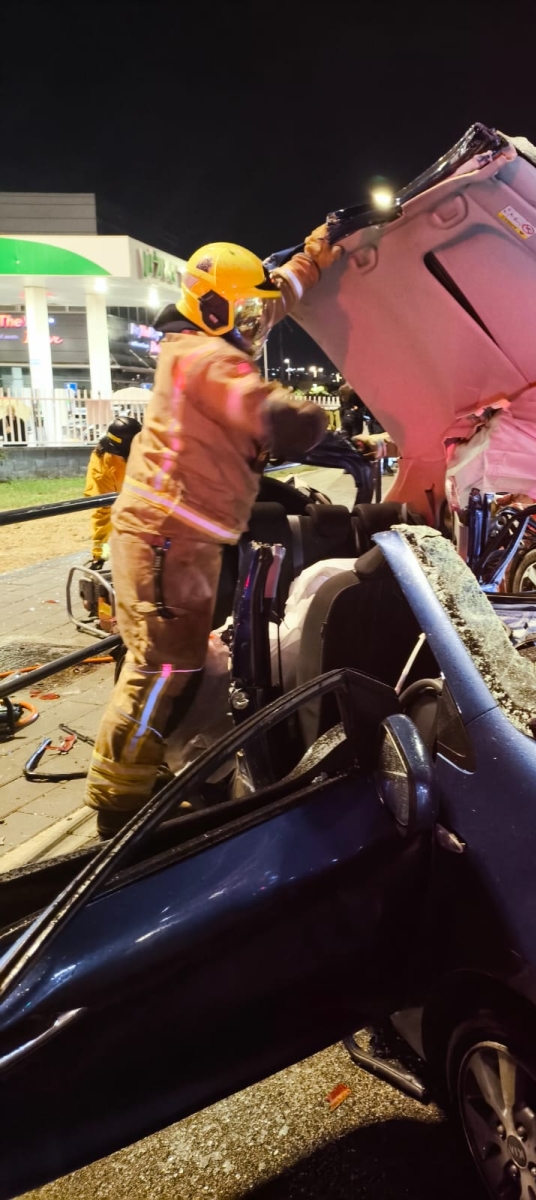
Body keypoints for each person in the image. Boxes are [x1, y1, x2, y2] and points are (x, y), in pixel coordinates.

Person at [85, 232, 341, 838]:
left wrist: (318, 252)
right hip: (165, 541)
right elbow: (262, 407)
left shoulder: (221, 328)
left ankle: (153, 773)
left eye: (255, 314)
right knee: (162, 670)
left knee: (177, 663)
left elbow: (274, 298)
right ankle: (119, 805)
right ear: (212, 307)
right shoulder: (202, 357)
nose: (255, 326)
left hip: (182, 540)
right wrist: (311, 420)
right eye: (244, 315)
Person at [83, 416, 142, 569]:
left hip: (129, 484)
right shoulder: (103, 467)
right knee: (106, 511)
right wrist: (99, 553)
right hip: (110, 486)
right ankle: (100, 555)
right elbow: (103, 512)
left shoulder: (138, 447)